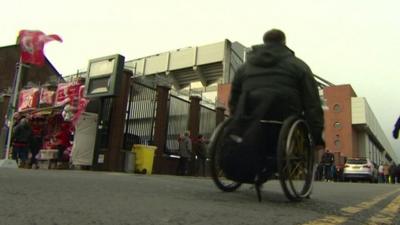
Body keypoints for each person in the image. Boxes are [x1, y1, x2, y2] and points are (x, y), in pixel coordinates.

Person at [228, 29, 325, 172]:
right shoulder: (299, 66)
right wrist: (316, 137)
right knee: (300, 118)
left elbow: (235, 95)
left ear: (264, 42)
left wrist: (236, 116)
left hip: (251, 118)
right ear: (284, 43)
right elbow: (312, 103)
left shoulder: (245, 67)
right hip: (284, 119)